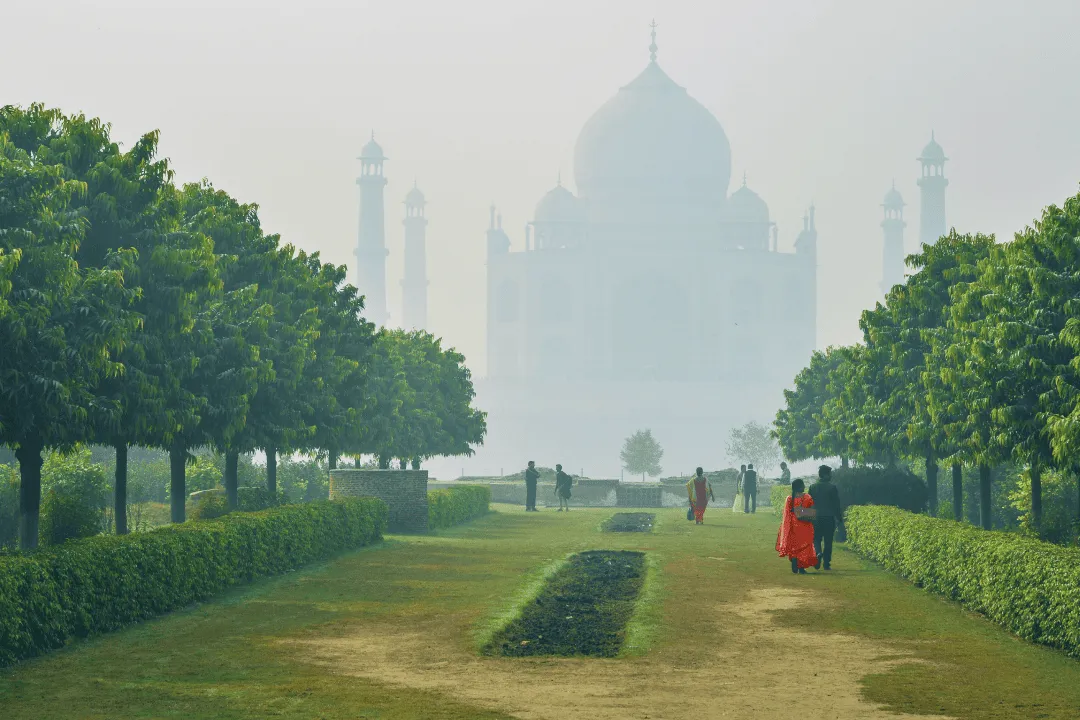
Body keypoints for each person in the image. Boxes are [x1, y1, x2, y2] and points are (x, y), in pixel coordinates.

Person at [776, 478, 818, 574]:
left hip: (794, 525)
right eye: (802, 485)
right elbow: (813, 511)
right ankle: (801, 568)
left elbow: (787, 513)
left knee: (795, 545)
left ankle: (794, 558)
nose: (804, 486)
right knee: (805, 546)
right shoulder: (807, 497)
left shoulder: (790, 498)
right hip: (805, 525)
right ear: (799, 487)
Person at [809, 464, 841, 570]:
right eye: (830, 474)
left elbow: (808, 504)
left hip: (815, 518)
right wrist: (839, 518)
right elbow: (836, 505)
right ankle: (826, 563)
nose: (831, 476)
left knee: (816, 539)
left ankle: (818, 553)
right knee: (828, 541)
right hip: (828, 517)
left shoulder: (812, 487)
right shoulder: (832, 488)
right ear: (826, 475)